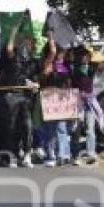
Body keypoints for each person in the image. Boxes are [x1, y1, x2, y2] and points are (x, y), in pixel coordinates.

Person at [0, 12, 39, 168]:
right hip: (10, 96)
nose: (25, 42)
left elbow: (31, 78)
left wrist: (34, 84)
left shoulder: (30, 61)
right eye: (22, 40)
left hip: (25, 97)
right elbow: (9, 47)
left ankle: (27, 154)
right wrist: (14, 29)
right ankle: (11, 156)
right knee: (11, 127)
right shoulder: (11, 57)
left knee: (27, 125)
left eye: (27, 41)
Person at [40, 34, 75, 166]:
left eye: (63, 52)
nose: (62, 54)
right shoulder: (48, 64)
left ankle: (63, 154)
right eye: (60, 52)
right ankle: (50, 155)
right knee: (49, 129)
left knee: (62, 127)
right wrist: (51, 39)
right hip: (49, 98)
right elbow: (45, 76)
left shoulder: (65, 66)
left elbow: (68, 82)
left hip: (62, 100)